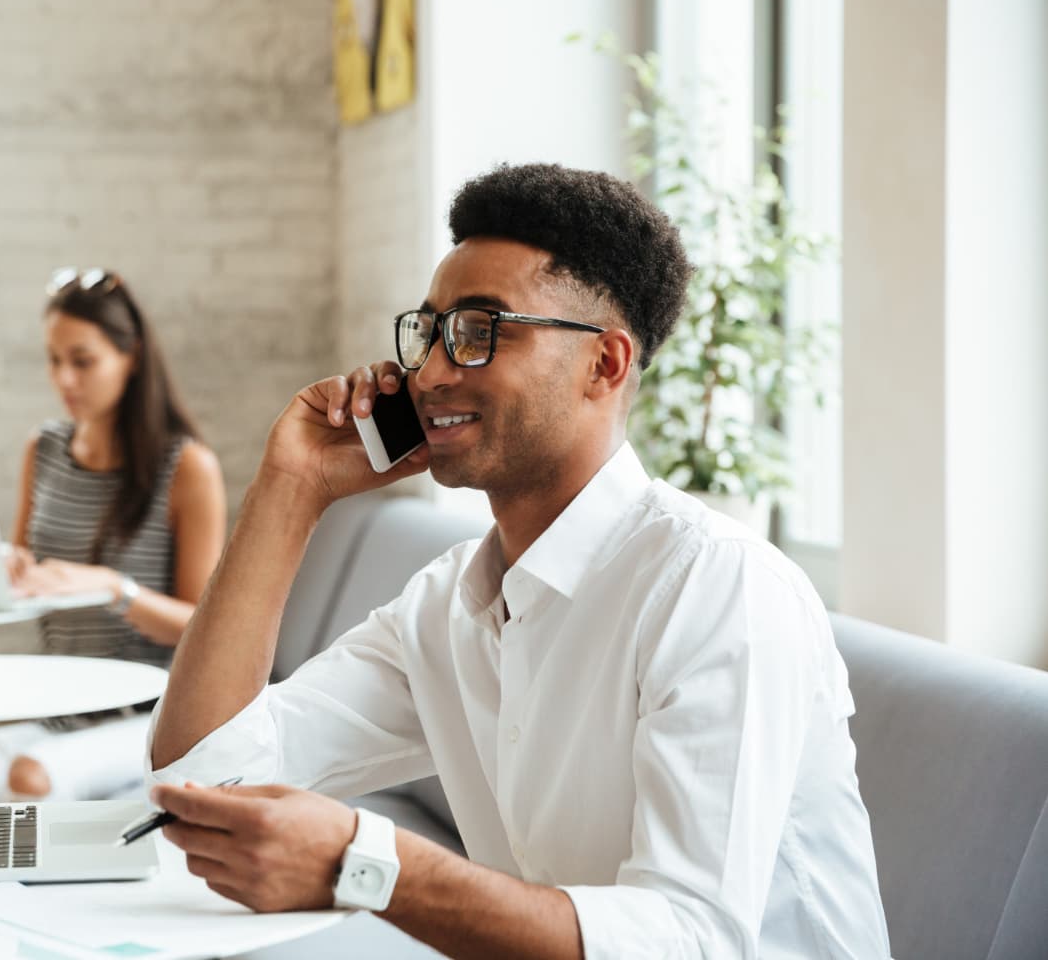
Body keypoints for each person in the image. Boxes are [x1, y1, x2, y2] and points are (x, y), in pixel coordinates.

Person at [146, 164, 890, 958]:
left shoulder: (718, 587)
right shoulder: (448, 605)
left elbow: (691, 939)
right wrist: (291, 489)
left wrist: (372, 865)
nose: (430, 373)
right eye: (429, 332)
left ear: (604, 364)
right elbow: (202, 774)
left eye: (479, 332)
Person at [0, 268, 226, 803]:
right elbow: (26, 568)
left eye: (83, 361)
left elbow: (201, 630)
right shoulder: (43, 449)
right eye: (54, 360)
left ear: (131, 357)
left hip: (149, 716)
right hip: (60, 709)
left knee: (30, 777)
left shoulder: (187, 468)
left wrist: (115, 588)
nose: (64, 379)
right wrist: (9, 569)